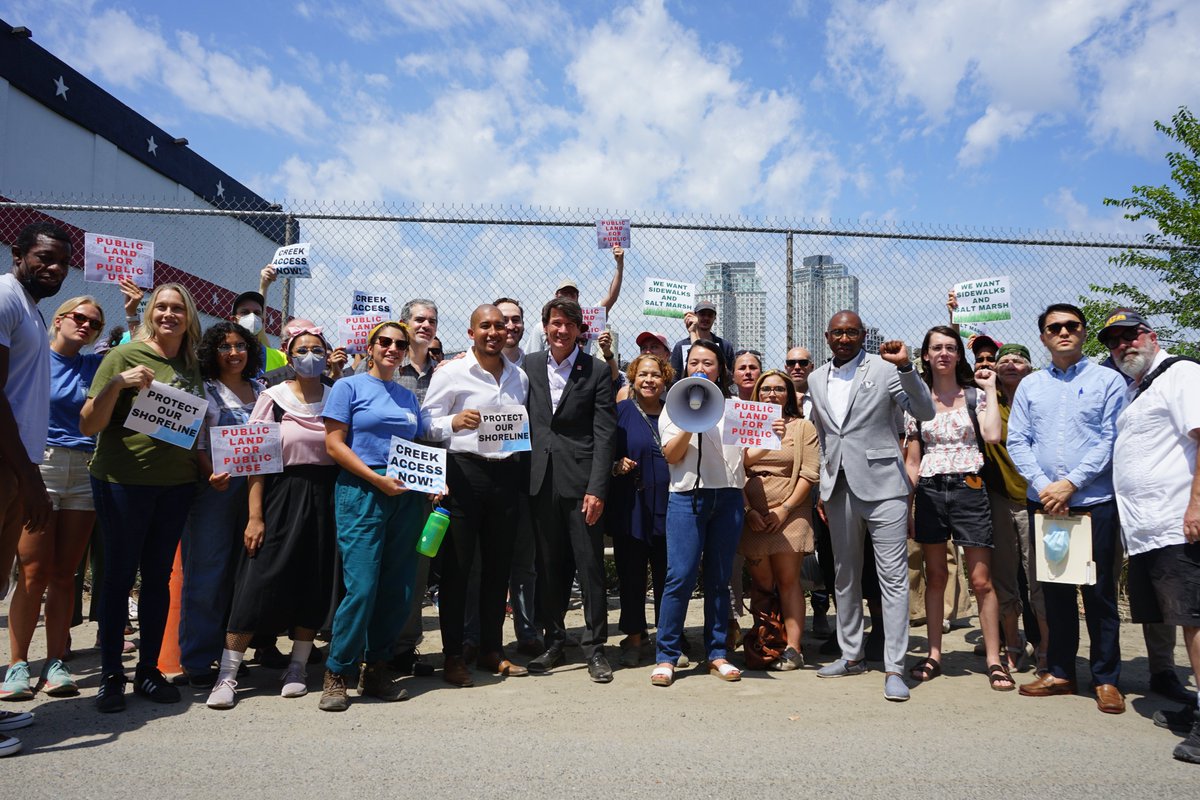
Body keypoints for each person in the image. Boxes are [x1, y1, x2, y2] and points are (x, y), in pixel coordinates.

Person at [3, 284, 136, 701]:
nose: (86, 326)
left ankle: (55, 662)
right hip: (39, 464)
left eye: (94, 323)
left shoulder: (95, 365)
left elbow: (136, 355)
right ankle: (18, 664)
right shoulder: (34, 358)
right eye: (79, 317)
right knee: (32, 571)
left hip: (84, 467)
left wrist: (132, 314)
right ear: (58, 320)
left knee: (66, 573)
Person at [81, 283, 206, 712]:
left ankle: (148, 671)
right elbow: (88, 424)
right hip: (122, 481)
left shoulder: (192, 363)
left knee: (157, 578)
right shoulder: (124, 356)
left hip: (175, 486)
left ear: (189, 317)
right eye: (162, 307)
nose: (169, 314)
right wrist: (118, 383)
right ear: (151, 312)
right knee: (118, 577)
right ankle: (111, 674)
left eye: (178, 308)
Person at [204, 325, 339, 709]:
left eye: (317, 349)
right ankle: (228, 674)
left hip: (326, 497)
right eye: (302, 350)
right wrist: (255, 516)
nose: (310, 356)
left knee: (313, 581)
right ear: (289, 356)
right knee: (256, 581)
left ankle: (297, 667)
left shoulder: (337, 397)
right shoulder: (273, 398)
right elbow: (256, 461)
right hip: (280, 496)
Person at [808, 310, 935, 702]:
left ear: (863, 335)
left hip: (884, 487)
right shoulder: (816, 378)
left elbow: (925, 411)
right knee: (844, 575)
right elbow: (824, 435)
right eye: (838, 333)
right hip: (838, 487)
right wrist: (823, 484)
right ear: (827, 337)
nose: (844, 338)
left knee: (892, 578)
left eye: (852, 332)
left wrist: (908, 368)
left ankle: (894, 667)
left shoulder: (886, 369)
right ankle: (851, 655)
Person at [1008, 303, 1127, 714]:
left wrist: (1071, 483)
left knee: (1099, 594)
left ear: (1083, 332)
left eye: (1071, 326)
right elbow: (1017, 440)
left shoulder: (1108, 381)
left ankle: (1106, 679)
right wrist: (1045, 488)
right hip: (1046, 504)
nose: (1063, 332)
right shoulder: (1031, 385)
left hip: (1093, 503)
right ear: (1043, 336)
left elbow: (1110, 439)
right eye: (1054, 327)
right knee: (1055, 592)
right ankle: (1060, 672)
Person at [650, 341, 783, 686]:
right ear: (685, 366)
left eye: (708, 363)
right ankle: (666, 656)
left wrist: (769, 438)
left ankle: (717, 652)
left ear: (720, 369)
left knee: (719, 579)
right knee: (679, 577)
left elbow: (744, 459)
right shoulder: (674, 406)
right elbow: (671, 455)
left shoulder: (735, 407)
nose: (700, 368)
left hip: (727, 498)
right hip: (687, 498)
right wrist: (690, 422)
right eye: (694, 362)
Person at [1101, 308, 1200, 762]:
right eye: (1114, 341)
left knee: (1195, 620)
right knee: (1182, 617)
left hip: (1180, 522)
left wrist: (1197, 505)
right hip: (1148, 529)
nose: (1122, 345)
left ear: (1151, 335)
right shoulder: (1136, 389)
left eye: (1130, 335)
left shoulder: (1182, 374)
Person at [421, 305, 530, 686]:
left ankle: (491, 650)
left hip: (505, 475)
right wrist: (453, 422)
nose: (494, 332)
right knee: (458, 570)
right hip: (464, 472)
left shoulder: (518, 376)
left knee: (498, 569)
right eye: (485, 326)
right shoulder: (450, 372)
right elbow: (425, 422)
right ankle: (453, 656)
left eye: (500, 326)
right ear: (471, 333)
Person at [319, 321, 426, 711]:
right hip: (362, 490)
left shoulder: (407, 396)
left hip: (405, 495)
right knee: (362, 586)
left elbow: (416, 447)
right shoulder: (348, 387)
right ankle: (337, 670)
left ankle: (377, 667)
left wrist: (432, 479)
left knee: (398, 588)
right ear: (370, 346)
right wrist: (375, 479)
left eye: (400, 343)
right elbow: (334, 444)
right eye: (385, 341)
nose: (392, 348)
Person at [902, 326, 1011, 691]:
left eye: (951, 347)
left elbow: (992, 435)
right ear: (926, 355)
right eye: (937, 348)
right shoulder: (917, 401)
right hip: (930, 490)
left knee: (981, 580)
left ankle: (994, 659)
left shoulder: (974, 395)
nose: (944, 353)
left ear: (959, 355)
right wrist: (907, 505)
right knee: (935, 576)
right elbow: (913, 460)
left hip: (970, 487)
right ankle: (934, 654)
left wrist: (990, 389)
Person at [0, 223, 73, 754]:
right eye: (44, 258)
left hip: (16, 466)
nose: (54, 268)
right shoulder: (5, 297)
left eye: (62, 262)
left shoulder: (31, 308)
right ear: (18, 253)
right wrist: (28, 478)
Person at [525, 298, 617, 682]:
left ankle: (595, 648)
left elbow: (605, 433)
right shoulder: (528, 366)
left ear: (580, 330)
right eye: (555, 323)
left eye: (569, 324)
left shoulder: (596, 371)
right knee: (549, 567)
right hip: (539, 481)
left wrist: (597, 488)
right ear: (545, 327)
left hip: (582, 485)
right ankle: (554, 640)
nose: (561, 330)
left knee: (589, 566)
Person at [177, 322, 263, 686]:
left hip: (256, 490)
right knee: (207, 572)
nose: (233, 353)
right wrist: (210, 472)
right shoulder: (204, 389)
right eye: (224, 347)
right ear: (212, 352)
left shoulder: (261, 390)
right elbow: (195, 441)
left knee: (241, 576)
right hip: (214, 490)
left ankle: (231, 655)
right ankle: (198, 659)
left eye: (240, 345)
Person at [370, 299, 439, 677]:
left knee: (415, 569)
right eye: (419, 319)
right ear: (403, 323)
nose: (426, 325)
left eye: (432, 320)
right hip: (378, 482)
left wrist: (437, 479)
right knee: (372, 569)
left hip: (426, 485)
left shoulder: (445, 372)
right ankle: (369, 649)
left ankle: (403, 648)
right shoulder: (381, 368)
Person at [739, 370, 819, 671]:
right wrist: (748, 511)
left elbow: (809, 473)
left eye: (779, 389)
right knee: (761, 583)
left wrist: (785, 509)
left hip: (790, 512)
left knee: (788, 581)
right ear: (757, 394)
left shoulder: (803, 427)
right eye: (766, 389)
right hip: (753, 515)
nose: (772, 395)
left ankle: (794, 648)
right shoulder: (744, 426)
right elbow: (734, 467)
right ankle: (766, 641)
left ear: (789, 395)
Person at [980, 343, 1048, 673]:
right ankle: (1013, 642)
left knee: (1039, 578)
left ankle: (1046, 647)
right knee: (1004, 577)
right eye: (1003, 360)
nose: (1010, 364)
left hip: (1036, 499)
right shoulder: (987, 401)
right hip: (999, 498)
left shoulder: (1041, 399)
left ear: (1030, 367)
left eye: (1018, 360)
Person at [609, 353, 674, 668]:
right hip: (631, 506)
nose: (649, 380)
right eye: (643, 374)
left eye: (656, 375)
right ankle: (634, 637)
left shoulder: (676, 413)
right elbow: (603, 451)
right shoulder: (620, 412)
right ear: (633, 379)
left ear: (665, 380)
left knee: (668, 575)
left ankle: (668, 638)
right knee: (631, 574)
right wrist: (615, 465)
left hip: (671, 506)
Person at [669, 300, 735, 380]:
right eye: (702, 314)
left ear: (714, 318)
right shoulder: (680, 346)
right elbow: (674, 378)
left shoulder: (725, 346)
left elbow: (730, 377)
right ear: (695, 316)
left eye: (710, 315)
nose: (706, 318)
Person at [552, 244, 625, 313]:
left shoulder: (588, 315)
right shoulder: (548, 317)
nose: (568, 296)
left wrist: (620, 264)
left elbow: (611, 297)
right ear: (556, 295)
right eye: (564, 292)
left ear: (577, 298)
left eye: (572, 293)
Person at [614, 331, 672, 402]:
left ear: (667, 355)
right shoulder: (627, 394)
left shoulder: (675, 391)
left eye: (654, 347)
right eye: (644, 348)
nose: (648, 351)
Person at [786, 346, 816, 419]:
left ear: (812, 367)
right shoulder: (780, 397)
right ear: (786, 368)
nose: (797, 367)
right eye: (791, 363)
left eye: (803, 363)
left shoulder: (820, 397)